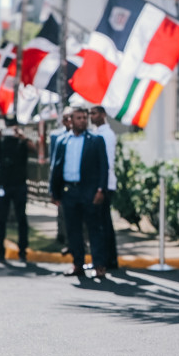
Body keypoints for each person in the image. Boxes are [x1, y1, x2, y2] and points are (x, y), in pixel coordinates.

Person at [49, 104, 113, 278]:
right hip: (69, 191)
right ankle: (78, 264)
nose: (83, 121)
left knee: (94, 229)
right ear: (71, 120)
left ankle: (99, 265)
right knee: (73, 229)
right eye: (79, 118)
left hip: (89, 191)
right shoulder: (62, 141)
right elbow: (55, 167)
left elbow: (104, 167)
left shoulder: (96, 140)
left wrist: (101, 190)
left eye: (85, 117)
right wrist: (54, 192)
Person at [0, 119, 35, 264]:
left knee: (21, 218)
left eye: (13, 127)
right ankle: (0, 252)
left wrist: (23, 137)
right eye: (8, 127)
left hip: (19, 184)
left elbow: (34, 149)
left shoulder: (22, 141)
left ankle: (23, 251)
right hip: (3, 184)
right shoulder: (1, 141)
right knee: (0, 219)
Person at [87, 106, 122, 276]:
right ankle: (106, 259)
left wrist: (101, 187)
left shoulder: (105, 135)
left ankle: (108, 260)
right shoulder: (97, 133)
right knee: (103, 223)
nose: (91, 116)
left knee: (103, 224)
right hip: (102, 184)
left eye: (94, 113)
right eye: (90, 114)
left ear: (103, 115)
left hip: (105, 185)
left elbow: (105, 163)